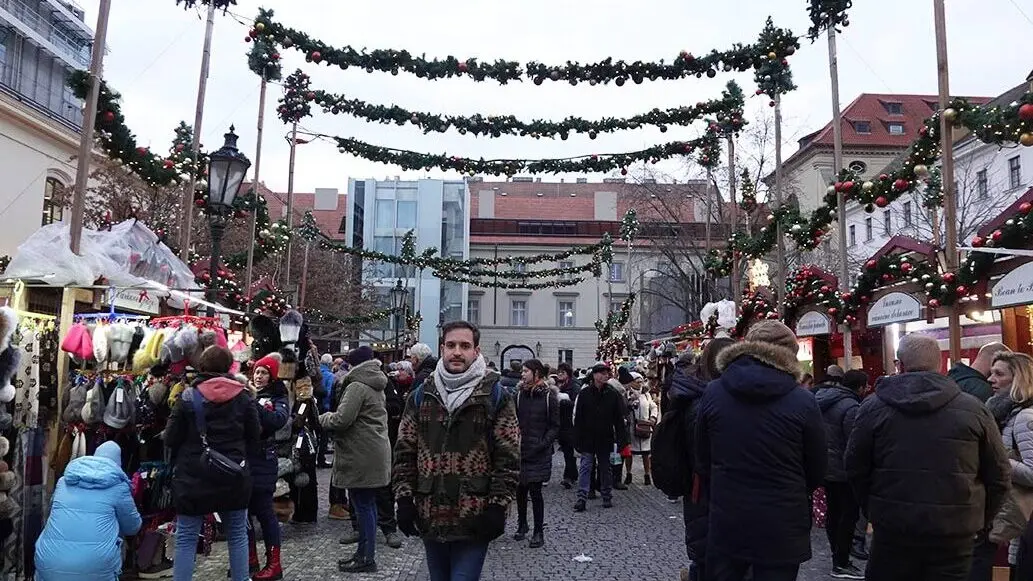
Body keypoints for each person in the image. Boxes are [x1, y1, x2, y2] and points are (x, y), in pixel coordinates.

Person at [845, 333, 1010, 581]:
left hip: (894, 529)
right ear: (941, 365)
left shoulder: (873, 407)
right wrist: (978, 519)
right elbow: (999, 474)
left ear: (899, 365)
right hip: (954, 532)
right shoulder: (974, 409)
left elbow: (855, 468)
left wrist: (875, 509)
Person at [695, 321, 827, 581]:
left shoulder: (713, 392)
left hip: (729, 517)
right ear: (788, 353)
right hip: (782, 522)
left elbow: (702, 458)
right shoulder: (803, 400)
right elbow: (817, 467)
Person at [392, 321, 520, 581]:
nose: (457, 352)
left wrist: (497, 506)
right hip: (430, 512)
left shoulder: (495, 395)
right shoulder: (421, 395)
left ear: (476, 351)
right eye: (451, 345)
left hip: (474, 514)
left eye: (465, 345)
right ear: (442, 349)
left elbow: (508, 457)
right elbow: (404, 452)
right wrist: (404, 500)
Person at [165, 346, 260, 581]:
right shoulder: (244, 397)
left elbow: (170, 438)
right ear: (229, 368)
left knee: (186, 536)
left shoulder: (187, 397)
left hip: (192, 476)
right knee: (237, 534)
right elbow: (255, 435)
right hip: (234, 475)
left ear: (202, 367)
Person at [320, 345, 393, 573]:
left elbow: (342, 420)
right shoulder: (375, 382)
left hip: (361, 453)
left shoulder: (357, 386)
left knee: (364, 506)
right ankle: (363, 553)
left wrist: (322, 418)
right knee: (367, 505)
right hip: (372, 451)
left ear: (353, 364)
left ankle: (366, 557)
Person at [666, 337, 734, 581]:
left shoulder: (695, 393)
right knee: (707, 556)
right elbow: (701, 455)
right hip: (704, 489)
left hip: (703, 490)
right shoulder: (702, 400)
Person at [35, 441, 141, 581]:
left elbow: (52, 512)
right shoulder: (119, 487)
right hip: (96, 567)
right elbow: (132, 527)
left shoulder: (64, 481)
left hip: (48, 560)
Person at [340, 348, 404, 552]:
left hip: (374, 442)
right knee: (359, 493)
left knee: (378, 492)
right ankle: (359, 529)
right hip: (364, 445)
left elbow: (343, 417)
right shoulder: (356, 383)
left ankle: (386, 530)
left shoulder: (374, 382)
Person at [814, 369, 867, 579]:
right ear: (860, 387)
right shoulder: (851, 406)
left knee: (834, 513)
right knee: (849, 515)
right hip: (844, 471)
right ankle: (841, 561)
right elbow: (854, 443)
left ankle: (837, 555)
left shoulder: (822, 399)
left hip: (826, 467)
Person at [987, 352, 1033, 578]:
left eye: (999, 373)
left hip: (1025, 518)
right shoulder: (1006, 414)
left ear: (1017, 379)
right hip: (1018, 519)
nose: (990, 378)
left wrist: (999, 460)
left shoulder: (1024, 417)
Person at [247, 354, 291, 579]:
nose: (259, 376)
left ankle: (274, 564)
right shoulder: (248, 394)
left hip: (263, 460)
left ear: (272, 376)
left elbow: (277, 420)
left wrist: (254, 404)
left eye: (264, 372)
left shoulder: (279, 396)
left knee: (265, 512)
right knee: (243, 512)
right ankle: (250, 558)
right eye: (256, 372)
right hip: (246, 460)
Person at [512, 359, 560, 548]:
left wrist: (543, 443)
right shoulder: (518, 396)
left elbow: (555, 426)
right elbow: (512, 421)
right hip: (520, 450)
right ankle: (522, 524)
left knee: (536, 491)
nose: (523, 374)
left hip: (539, 452)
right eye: (522, 371)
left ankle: (538, 531)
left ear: (537, 373)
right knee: (520, 490)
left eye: (526, 371)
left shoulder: (549, 398)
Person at [572, 363, 630, 512]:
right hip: (588, 438)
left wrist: (622, 440)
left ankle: (606, 495)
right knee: (585, 467)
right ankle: (582, 497)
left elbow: (618, 418)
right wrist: (577, 439)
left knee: (605, 468)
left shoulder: (612, 394)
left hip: (605, 438)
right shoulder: (585, 394)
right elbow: (578, 418)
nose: (605, 376)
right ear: (595, 375)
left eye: (607, 373)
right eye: (602, 373)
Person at [626, 372, 659, 486]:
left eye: (641, 381)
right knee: (629, 453)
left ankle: (647, 475)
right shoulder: (628, 393)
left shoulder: (646, 394)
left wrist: (653, 418)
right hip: (632, 428)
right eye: (638, 381)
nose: (640, 384)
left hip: (644, 426)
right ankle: (629, 474)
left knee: (646, 453)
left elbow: (653, 406)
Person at [555, 362, 580, 488]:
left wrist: (563, 401)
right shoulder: (558, 385)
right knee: (566, 450)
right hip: (562, 422)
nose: (560, 374)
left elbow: (576, 404)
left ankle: (568, 476)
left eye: (562, 372)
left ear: (568, 374)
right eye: (559, 372)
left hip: (571, 422)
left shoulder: (574, 386)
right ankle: (573, 474)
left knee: (569, 451)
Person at [318, 353, 338, 467]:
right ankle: (321, 459)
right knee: (324, 435)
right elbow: (329, 393)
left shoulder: (316, 373)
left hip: (314, 406)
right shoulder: (330, 376)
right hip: (324, 408)